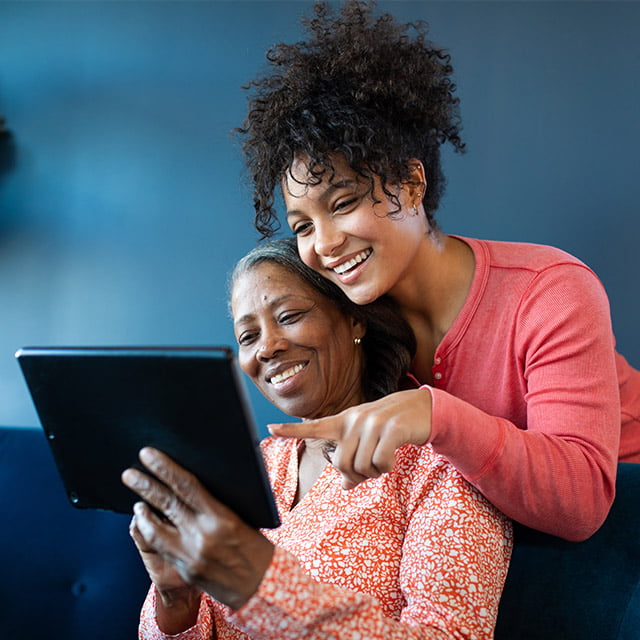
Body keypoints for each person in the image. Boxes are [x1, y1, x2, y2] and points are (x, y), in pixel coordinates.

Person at [236, 0, 640, 542]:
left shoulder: (550, 291)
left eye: (344, 202)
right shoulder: (356, 325)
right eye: (303, 225)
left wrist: (435, 415)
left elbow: (582, 499)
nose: (326, 245)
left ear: (411, 182)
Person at [122, 237, 512, 639]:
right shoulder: (251, 464)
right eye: (248, 336)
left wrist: (262, 588)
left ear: (354, 318)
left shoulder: (440, 463)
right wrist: (176, 599)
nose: (267, 348)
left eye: (289, 315)